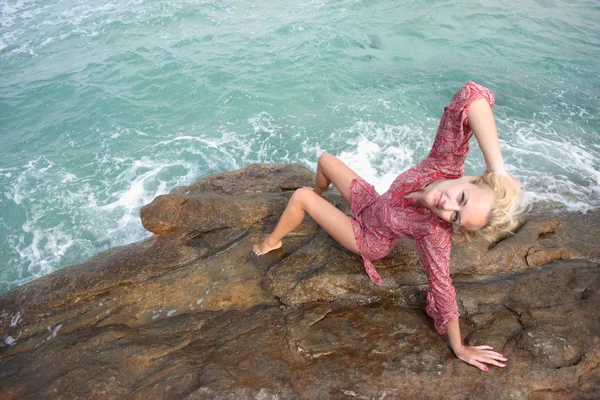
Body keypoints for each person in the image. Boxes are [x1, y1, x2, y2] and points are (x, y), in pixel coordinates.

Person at [253, 82, 525, 372]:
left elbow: (443, 287)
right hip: (372, 203)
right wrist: (498, 169)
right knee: (325, 160)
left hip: (369, 237)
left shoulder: (433, 231)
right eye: (461, 198)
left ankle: (272, 242)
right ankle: (318, 199)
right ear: (469, 179)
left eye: (456, 217)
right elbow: (472, 95)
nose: (447, 207)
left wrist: (459, 348)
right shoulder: (443, 162)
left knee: (300, 196)